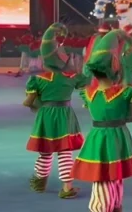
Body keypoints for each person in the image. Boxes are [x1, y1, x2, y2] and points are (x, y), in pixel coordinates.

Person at [72, 29, 132, 212]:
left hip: (98, 137)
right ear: (115, 69)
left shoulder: (89, 93)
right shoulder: (124, 92)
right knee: (113, 177)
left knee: (102, 177)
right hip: (117, 137)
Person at [24, 23, 88, 199]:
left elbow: (29, 101)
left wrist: (33, 103)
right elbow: (85, 87)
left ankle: (39, 182)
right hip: (64, 115)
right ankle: (67, 187)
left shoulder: (38, 79)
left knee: (45, 150)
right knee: (65, 152)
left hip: (45, 115)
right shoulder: (70, 77)